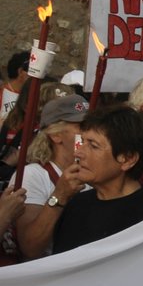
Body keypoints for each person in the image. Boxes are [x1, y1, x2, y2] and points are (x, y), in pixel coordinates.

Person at [35, 104, 143, 254]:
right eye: (82, 142)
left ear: (128, 159)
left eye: (93, 146)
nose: (78, 153)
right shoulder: (76, 205)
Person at [12, 94, 90, 259]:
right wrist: (60, 195)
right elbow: (30, 248)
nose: (90, 132)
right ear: (56, 135)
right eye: (82, 126)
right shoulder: (33, 175)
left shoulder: (96, 172)